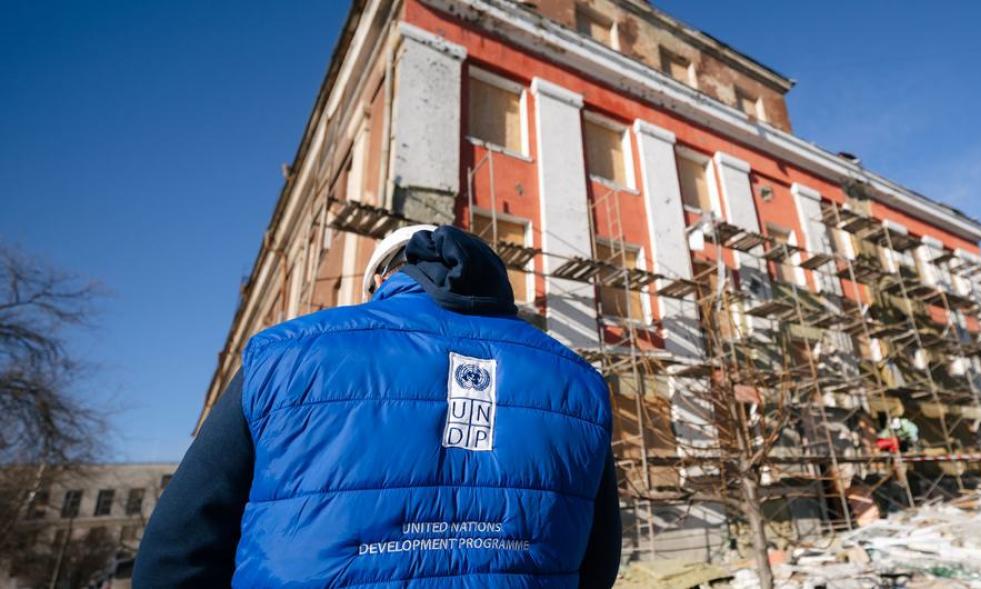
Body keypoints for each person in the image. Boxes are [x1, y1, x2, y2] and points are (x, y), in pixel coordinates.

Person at [135, 225, 621, 588]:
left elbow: (177, 549)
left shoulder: (285, 355)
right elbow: (598, 558)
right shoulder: (581, 383)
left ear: (386, 278)